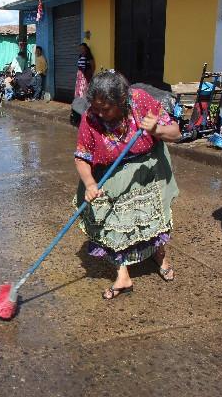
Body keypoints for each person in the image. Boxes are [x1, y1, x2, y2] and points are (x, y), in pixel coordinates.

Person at [74, 70, 181, 300]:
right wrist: (90, 183)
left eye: (106, 108)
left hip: (147, 168)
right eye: (96, 107)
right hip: (108, 172)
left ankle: (159, 255)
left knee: (154, 220)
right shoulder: (91, 115)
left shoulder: (139, 100)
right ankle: (123, 275)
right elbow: (82, 156)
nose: (100, 114)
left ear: (121, 100)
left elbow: (176, 133)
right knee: (109, 224)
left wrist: (156, 130)